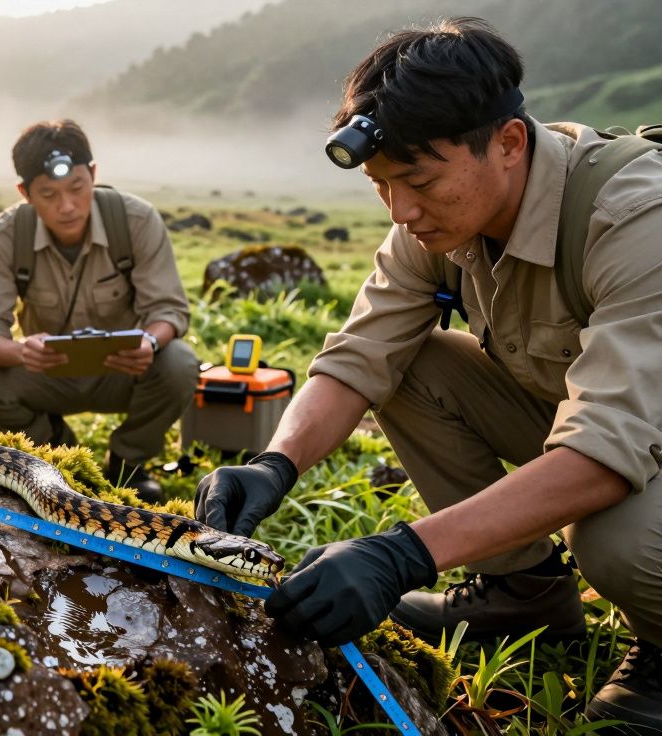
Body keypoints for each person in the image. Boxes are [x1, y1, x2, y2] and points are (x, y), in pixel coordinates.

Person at [194, 18, 662, 731]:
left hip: (628, 437)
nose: (402, 211)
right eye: (383, 186)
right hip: (598, 422)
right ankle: (522, 592)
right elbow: (359, 355)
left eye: (419, 181)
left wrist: (404, 555)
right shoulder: (438, 222)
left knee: (619, 539)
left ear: (508, 142)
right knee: (409, 361)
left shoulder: (634, 217)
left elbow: (606, 450)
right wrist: (273, 464)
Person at [0, 120, 199, 502]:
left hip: (124, 370)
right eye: (48, 194)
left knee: (180, 362)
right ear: (25, 193)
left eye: (77, 188)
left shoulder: (135, 220)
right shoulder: (6, 234)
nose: (66, 206)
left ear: (94, 175)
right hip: (44, 374)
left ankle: (128, 464)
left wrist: (149, 341)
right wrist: (21, 352)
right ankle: (58, 453)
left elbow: (169, 310)